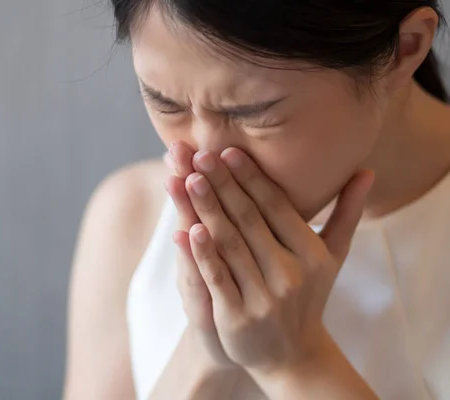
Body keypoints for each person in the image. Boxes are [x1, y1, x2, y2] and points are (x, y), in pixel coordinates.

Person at [63, 0, 450, 398]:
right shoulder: (132, 214)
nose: (205, 160)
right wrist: (206, 351)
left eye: (254, 114)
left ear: (406, 48)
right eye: (167, 104)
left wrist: (296, 362)